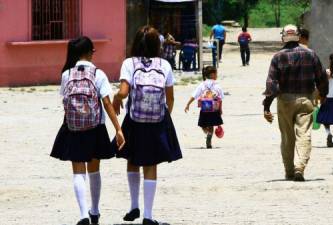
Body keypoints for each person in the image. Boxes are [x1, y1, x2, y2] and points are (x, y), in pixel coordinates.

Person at [50, 36, 125, 225]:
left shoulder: (67, 74)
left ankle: (83, 215)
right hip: (95, 127)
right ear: (88, 52)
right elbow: (107, 103)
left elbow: (64, 102)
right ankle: (95, 211)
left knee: (78, 172)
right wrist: (118, 129)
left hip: (73, 127)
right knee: (94, 171)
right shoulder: (98, 74)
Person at [112, 26, 182, 225]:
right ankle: (148, 216)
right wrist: (163, 116)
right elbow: (170, 98)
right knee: (151, 165)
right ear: (157, 44)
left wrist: (117, 98)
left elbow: (124, 92)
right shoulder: (164, 65)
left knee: (132, 159)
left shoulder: (129, 63)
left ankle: (134, 206)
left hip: (134, 120)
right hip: (156, 121)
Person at [263, 24, 328, 182]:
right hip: (306, 99)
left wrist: (266, 106)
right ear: (298, 36)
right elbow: (321, 77)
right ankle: (300, 167)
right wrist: (323, 94)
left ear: (283, 37)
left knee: (287, 137)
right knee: (304, 134)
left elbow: (272, 84)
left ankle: (289, 171)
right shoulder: (310, 54)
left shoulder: (278, 57)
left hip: (284, 101)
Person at [184, 66, 224, 149]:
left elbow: (194, 95)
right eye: (216, 73)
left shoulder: (202, 84)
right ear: (212, 74)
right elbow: (220, 99)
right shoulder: (217, 85)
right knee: (211, 125)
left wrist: (188, 104)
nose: (217, 75)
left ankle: (207, 133)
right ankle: (210, 137)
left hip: (205, 108)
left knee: (202, 124)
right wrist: (220, 109)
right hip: (214, 109)